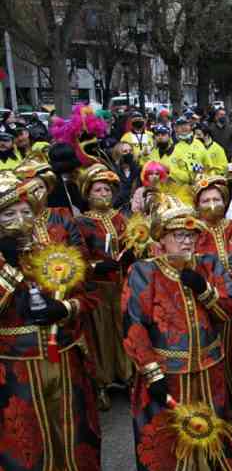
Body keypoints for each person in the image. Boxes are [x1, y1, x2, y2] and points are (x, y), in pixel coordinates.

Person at [122, 190, 232, 471]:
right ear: (162, 238)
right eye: (178, 235)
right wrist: (151, 372)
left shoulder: (208, 265)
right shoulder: (143, 271)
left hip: (207, 367)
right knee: (162, 438)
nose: (187, 241)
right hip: (166, 372)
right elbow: (133, 325)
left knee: (203, 429)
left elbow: (231, 309)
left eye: (191, 235)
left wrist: (205, 291)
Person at [0, 171, 102, 471]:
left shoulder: (53, 252)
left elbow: (87, 295)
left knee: (68, 428)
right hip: (15, 365)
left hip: (62, 357)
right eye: (8, 215)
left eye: (25, 212)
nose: (20, 221)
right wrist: (9, 269)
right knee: (23, 437)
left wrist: (65, 308)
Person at [75, 164, 132, 411]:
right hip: (98, 289)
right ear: (88, 194)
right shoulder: (81, 222)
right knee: (100, 334)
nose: (104, 194)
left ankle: (128, 376)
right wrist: (97, 266)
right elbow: (77, 259)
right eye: (98, 190)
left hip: (122, 285)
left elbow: (134, 243)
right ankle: (101, 383)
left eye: (107, 190)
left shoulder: (121, 218)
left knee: (124, 331)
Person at [193, 174, 232, 416]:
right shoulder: (193, 232)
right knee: (211, 353)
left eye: (216, 199)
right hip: (207, 301)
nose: (212, 205)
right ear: (197, 205)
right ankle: (215, 402)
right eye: (205, 200)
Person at [142, 120, 207, 187]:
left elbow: (188, 177)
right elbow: (144, 171)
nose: (160, 137)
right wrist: (143, 155)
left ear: (169, 136)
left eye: (163, 134)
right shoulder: (152, 153)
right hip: (157, 190)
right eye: (157, 135)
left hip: (177, 190)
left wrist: (170, 171)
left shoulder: (179, 151)